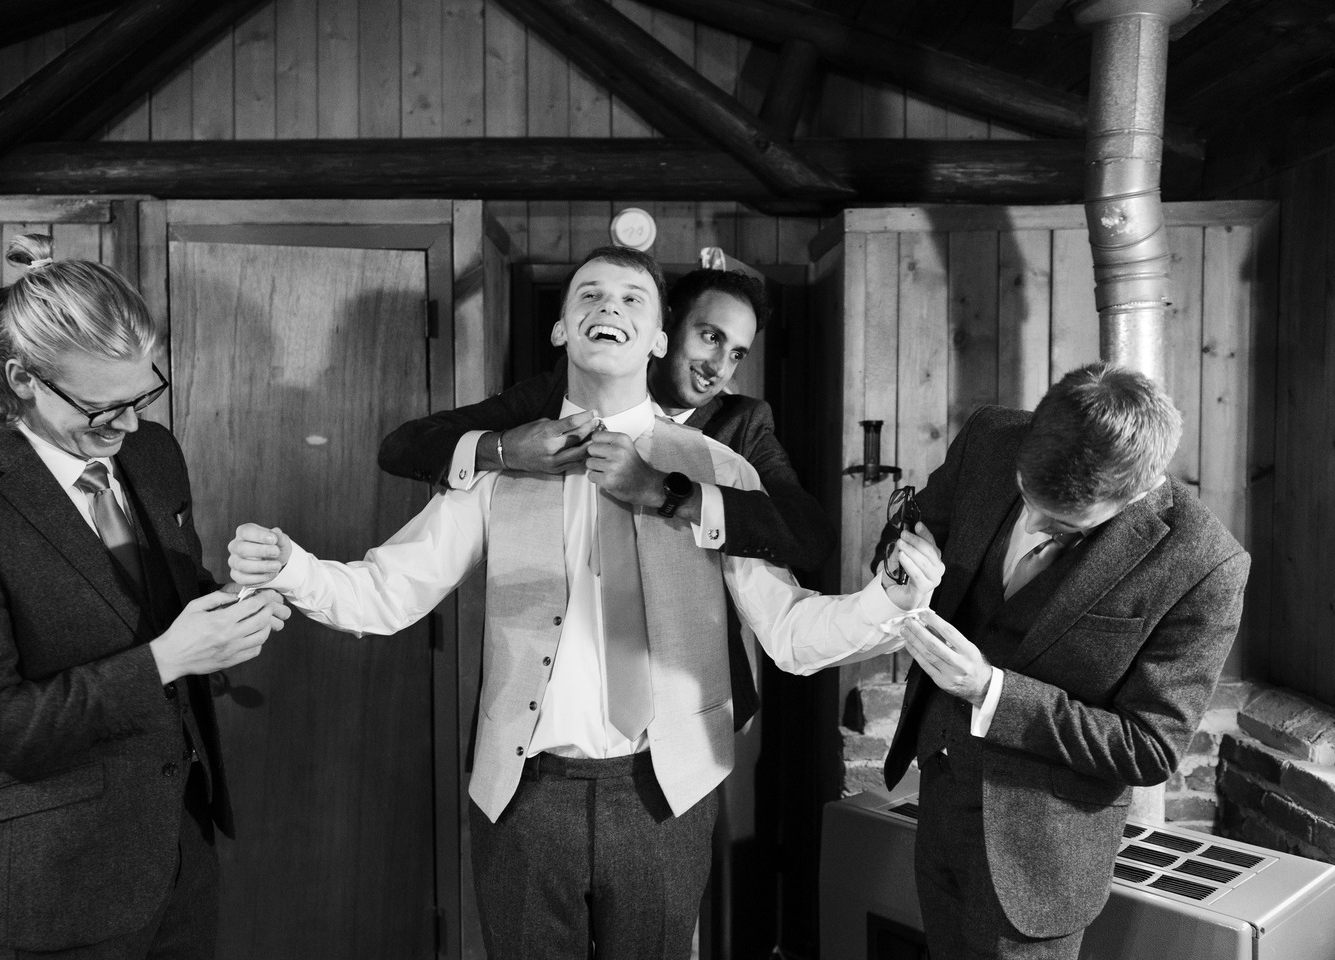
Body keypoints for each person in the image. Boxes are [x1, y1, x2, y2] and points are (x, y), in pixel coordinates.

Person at [229, 246, 943, 960]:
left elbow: (788, 631)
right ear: (561, 329)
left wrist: (888, 600)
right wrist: (294, 568)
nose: (609, 306)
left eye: (633, 298)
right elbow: (387, 592)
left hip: (668, 793)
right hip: (523, 798)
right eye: (590, 294)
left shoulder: (717, 470)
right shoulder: (502, 466)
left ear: (659, 337)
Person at [0, 235, 290, 960]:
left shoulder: (153, 454)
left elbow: (157, 603)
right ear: (23, 379)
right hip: (59, 884)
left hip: (182, 846)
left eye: (142, 395)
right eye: (103, 407)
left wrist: (234, 603)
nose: (130, 425)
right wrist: (165, 661)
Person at [876, 362, 1250, 959]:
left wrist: (990, 691)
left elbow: (1149, 747)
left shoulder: (1206, 564)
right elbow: (905, 535)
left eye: (1061, 523)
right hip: (940, 794)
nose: (1030, 523)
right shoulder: (990, 438)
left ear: (1137, 491)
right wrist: (900, 570)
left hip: (1041, 862)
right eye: (1027, 497)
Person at [378, 266, 833, 726]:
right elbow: (403, 446)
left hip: (698, 700)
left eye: (736, 354)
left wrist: (667, 490)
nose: (718, 368)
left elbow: (809, 536)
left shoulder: (743, 425)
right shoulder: (557, 393)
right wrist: (503, 449)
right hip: (551, 704)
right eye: (710, 337)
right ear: (664, 327)